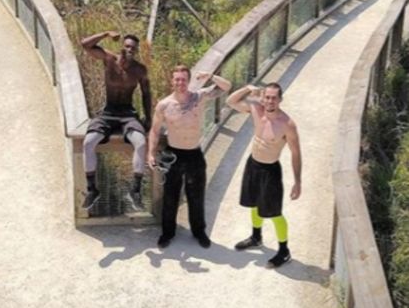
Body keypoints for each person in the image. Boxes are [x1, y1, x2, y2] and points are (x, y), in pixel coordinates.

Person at [147, 66, 231, 248]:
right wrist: (150, 153)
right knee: (171, 196)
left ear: (189, 80)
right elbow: (154, 131)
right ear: (172, 81)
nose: (180, 83)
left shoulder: (199, 97)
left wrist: (210, 75)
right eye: (177, 79)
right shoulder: (164, 105)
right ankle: (167, 233)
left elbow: (226, 87)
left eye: (184, 79)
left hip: (194, 153)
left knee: (196, 194)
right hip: (174, 154)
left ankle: (199, 231)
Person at [226, 82, 302, 268]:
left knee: (274, 213)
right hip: (253, 165)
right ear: (263, 97)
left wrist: (297, 181)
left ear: (280, 100)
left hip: (270, 170)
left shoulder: (287, 124)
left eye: (274, 98)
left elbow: (296, 153)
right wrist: (248, 88)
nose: (270, 101)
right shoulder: (256, 109)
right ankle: (256, 236)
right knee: (253, 203)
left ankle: (284, 251)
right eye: (267, 97)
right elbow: (230, 101)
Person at [79, 31, 152, 212]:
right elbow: (85, 44)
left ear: (136, 51)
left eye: (133, 48)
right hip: (108, 112)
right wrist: (104, 34)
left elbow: (146, 94)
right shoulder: (109, 59)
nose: (129, 50)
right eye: (127, 46)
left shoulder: (139, 70)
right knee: (88, 143)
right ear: (122, 46)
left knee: (141, 143)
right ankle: (92, 189)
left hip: (128, 114)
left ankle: (135, 191)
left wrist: (148, 117)